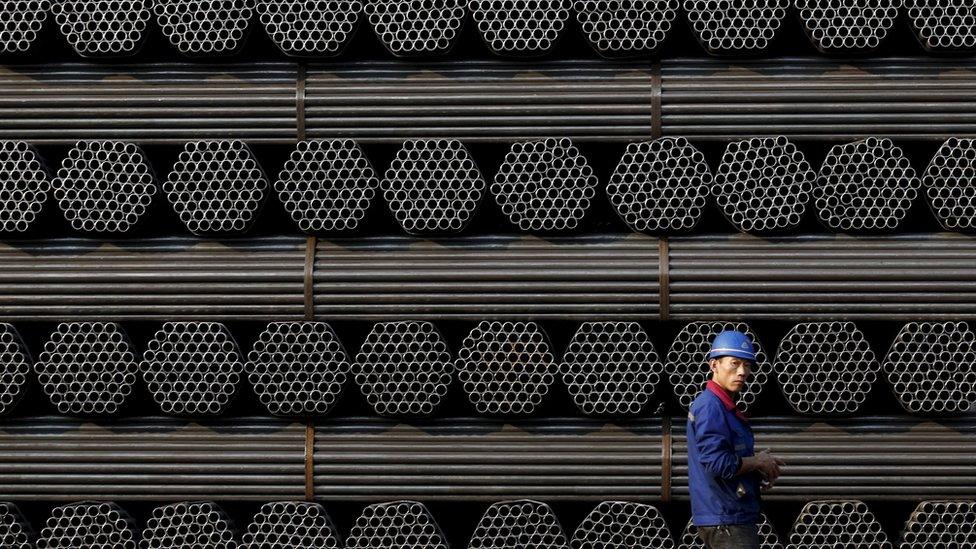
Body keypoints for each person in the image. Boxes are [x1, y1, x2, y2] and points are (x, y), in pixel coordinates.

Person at [687, 330, 786, 549]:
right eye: (734, 363)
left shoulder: (722, 407)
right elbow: (717, 463)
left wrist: (754, 471)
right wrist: (757, 461)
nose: (742, 372)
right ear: (714, 365)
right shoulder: (711, 407)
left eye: (747, 365)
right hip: (727, 520)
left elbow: (728, 457)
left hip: (730, 515)